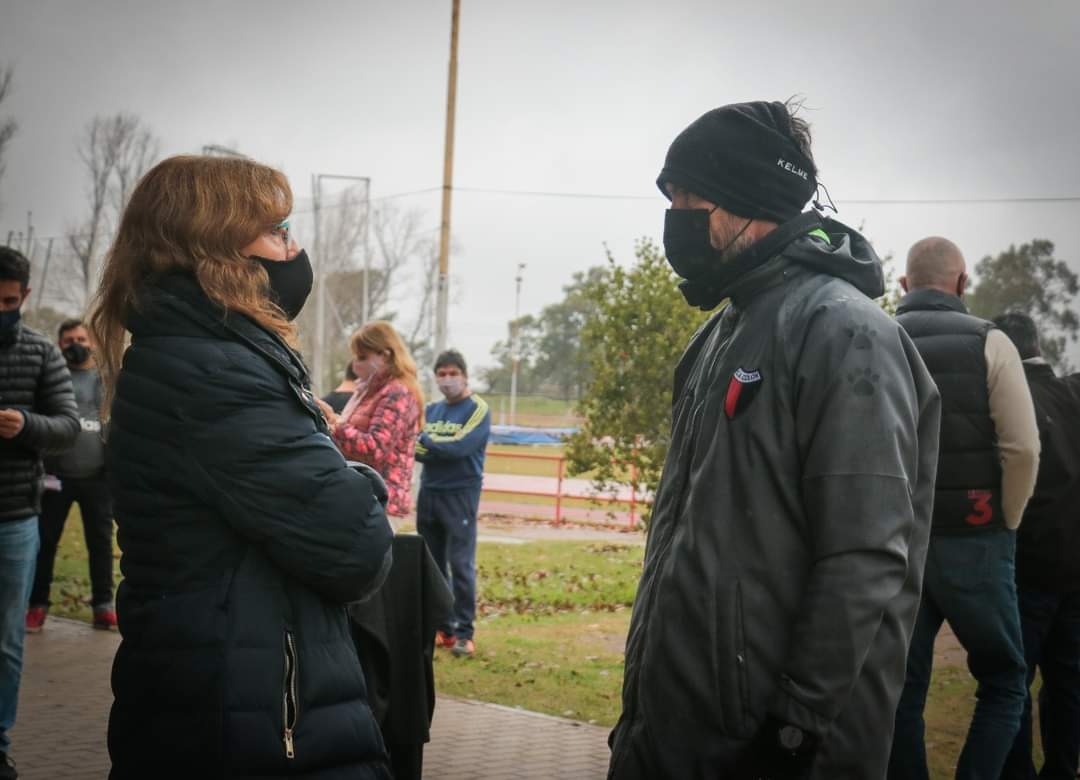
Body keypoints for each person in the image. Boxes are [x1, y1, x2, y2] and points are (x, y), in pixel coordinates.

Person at [607, 100, 941, 779]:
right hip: (678, 733)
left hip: (776, 749)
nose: (676, 217)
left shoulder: (846, 333)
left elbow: (865, 556)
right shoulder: (719, 333)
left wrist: (794, 730)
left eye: (690, 199)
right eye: (672, 200)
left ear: (748, 199)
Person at [89, 155, 394, 779]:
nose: (295, 249)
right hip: (251, 716)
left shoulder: (195, 354)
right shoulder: (214, 371)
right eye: (277, 230)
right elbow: (356, 545)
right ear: (216, 249)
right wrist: (351, 471)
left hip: (225, 693)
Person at [889, 238, 1040, 779]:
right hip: (976, 540)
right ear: (963, 281)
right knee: (1004, 681)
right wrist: (1007, 520)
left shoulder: (878, 337)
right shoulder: (990, 341)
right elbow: (1023, 449)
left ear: (903, 285)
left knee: (901, 690)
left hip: (899, 542)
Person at [0, 246, 79, 780]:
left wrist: (25, 425)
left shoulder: (41, 352)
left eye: (8, 302)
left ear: (25, 296)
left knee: (6, 642)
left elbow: (68, 427)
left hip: (14, 517)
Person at [995, 312, 1080, 780]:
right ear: (1038, 344)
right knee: (1069, 683)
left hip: (1027, 569)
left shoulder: (1008, 402)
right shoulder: (1073, 393)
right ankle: (1063, 770)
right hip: (1076, 568)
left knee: (1012, 685)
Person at [27, 319, 116, 633]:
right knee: (45, 543)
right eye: (68, 340)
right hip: (56, 478)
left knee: (100, 545)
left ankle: (103, 607)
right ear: (60, 345)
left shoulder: (105, 380)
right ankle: (37, 606)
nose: (76, 345)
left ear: (91, 342)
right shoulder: (52, 379)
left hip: (98, 479)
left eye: (81, 338)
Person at [414, 349, 491, 658]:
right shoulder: (432, 410)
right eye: (442, 374)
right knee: (432, 566)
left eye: (453, 373)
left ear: (464, 376)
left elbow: (462, 447)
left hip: (460, 496)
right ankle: (443, 628)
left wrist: (430, 443)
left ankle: (464, 633)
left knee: (460, 565)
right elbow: (415, 449)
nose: (447, 379)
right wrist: (432, 447)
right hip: (429, 493)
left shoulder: (477, 409)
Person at [323, 322, 423, 519]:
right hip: (365, 497)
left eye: (362, 357)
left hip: (383, 502)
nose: (355, 364)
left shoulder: (397, 393)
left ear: (384, 355)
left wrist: (334, 424)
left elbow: (375, 448)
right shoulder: (368, 390)